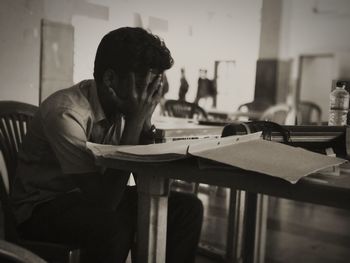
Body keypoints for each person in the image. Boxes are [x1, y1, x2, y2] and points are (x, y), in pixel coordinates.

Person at [11, 27, 203, 263]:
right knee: (114, 226)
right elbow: (105, 203)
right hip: (42, 209)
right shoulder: (66, 113)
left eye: (155, 86)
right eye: (146, 85)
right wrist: (134, 121)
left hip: (94, 195)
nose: (151, 96)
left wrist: (144, 123)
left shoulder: (124, 105)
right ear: (110, 79)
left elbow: (145, 182)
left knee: (186, 208)